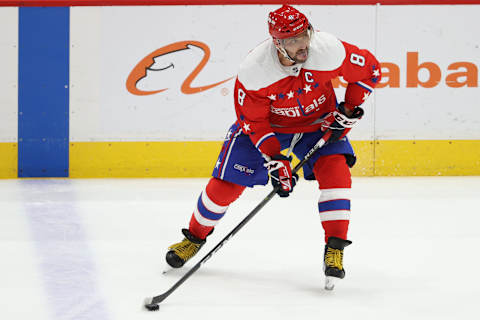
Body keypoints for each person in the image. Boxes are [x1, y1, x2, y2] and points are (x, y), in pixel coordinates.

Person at [165, 5, 381, 289]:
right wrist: (275, 159)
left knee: (337, 175)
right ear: (277, 43)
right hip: (269, 129)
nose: (302, 45)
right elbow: (253, 123)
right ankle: (193, 238)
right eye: (292, 41)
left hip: (318, 124)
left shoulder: (328, 50)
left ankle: (335, 250)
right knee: (224, 188)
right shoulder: (256, 71)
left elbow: (370, 71)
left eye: (304, 35)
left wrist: (349, 109)